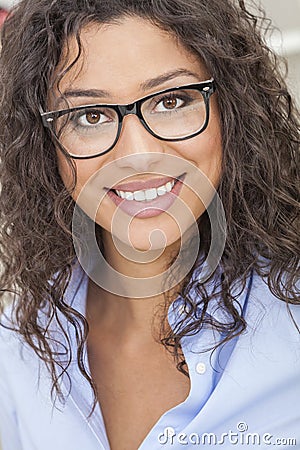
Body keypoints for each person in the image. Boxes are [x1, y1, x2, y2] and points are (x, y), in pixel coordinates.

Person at [0, 0, 299, 449]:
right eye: (90, 116)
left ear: (231, 110)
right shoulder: (19, 346)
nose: (137, 154)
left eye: (171, 101)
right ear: (46, 148)